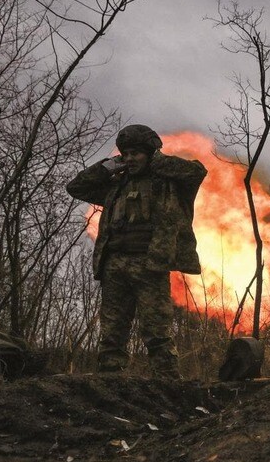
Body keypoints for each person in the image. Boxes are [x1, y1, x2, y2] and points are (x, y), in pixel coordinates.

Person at [67, 124, 207, 378]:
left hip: (150, 265)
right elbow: (76, 187)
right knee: (112, 331)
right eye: (126, 154)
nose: (130, 159)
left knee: (156, 330)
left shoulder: (168, 184)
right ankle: (111, 380)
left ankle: (168, 383)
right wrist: (108, 166)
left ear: (150, 152)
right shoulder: (116, 185)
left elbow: (196, 172)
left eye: (136, 153)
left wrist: (157, 161)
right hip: (115, 265)